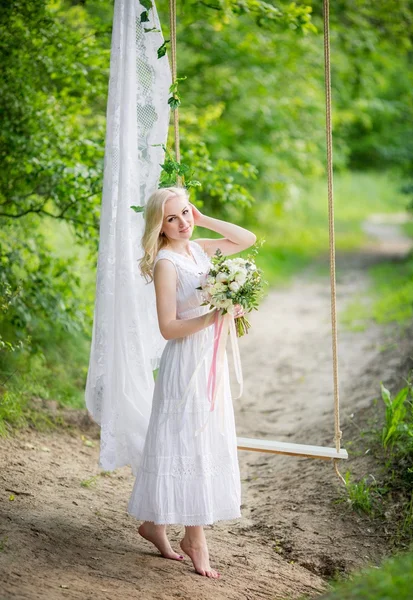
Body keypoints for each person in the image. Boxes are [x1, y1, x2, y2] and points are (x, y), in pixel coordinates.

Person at [127, 186, 256, 578]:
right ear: (159, 226)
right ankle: (194, 539)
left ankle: (154, 525)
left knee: (199, 437)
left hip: (209, 358)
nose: (182, 223)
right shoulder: (166, 263)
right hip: (185, 360)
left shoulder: (198, 248)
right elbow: (168, 328)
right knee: (187, 440)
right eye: (172, 218)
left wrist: (202, 218)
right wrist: (214, 316)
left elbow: (245, 240)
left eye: (184, 213)